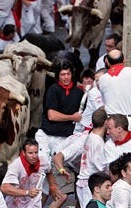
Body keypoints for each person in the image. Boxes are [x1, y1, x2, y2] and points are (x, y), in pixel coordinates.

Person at [35, 58, 83, 206]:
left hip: (65, 140)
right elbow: (51, 115)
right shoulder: (53, 90)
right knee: (42, 174)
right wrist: (72, 117)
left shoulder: (78, 92)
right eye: (63, 74)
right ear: (58, 76)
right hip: (47, 137)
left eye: (68, 74)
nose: (66, 77)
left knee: (63, 181)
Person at [0, 139, 64, 207]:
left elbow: (49, 171)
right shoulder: (16, 165)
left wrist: (52, 186)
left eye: (36, 152)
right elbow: (4, 188)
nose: (34, 156)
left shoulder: (43, 161)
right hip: (16, 204)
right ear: (23, 153)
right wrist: (27, 192)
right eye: (30, 153)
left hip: (34, 203)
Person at [99, 49, 131, 133]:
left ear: (107, 62)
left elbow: (105, 102)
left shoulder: (102, 79)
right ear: (124, 60)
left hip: (113, 122)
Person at [76, 109, 108, 208]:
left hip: (83, 182)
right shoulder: (98, 142)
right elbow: (100, 167)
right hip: (90, 185)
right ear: (106, 122)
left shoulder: (90, 136)